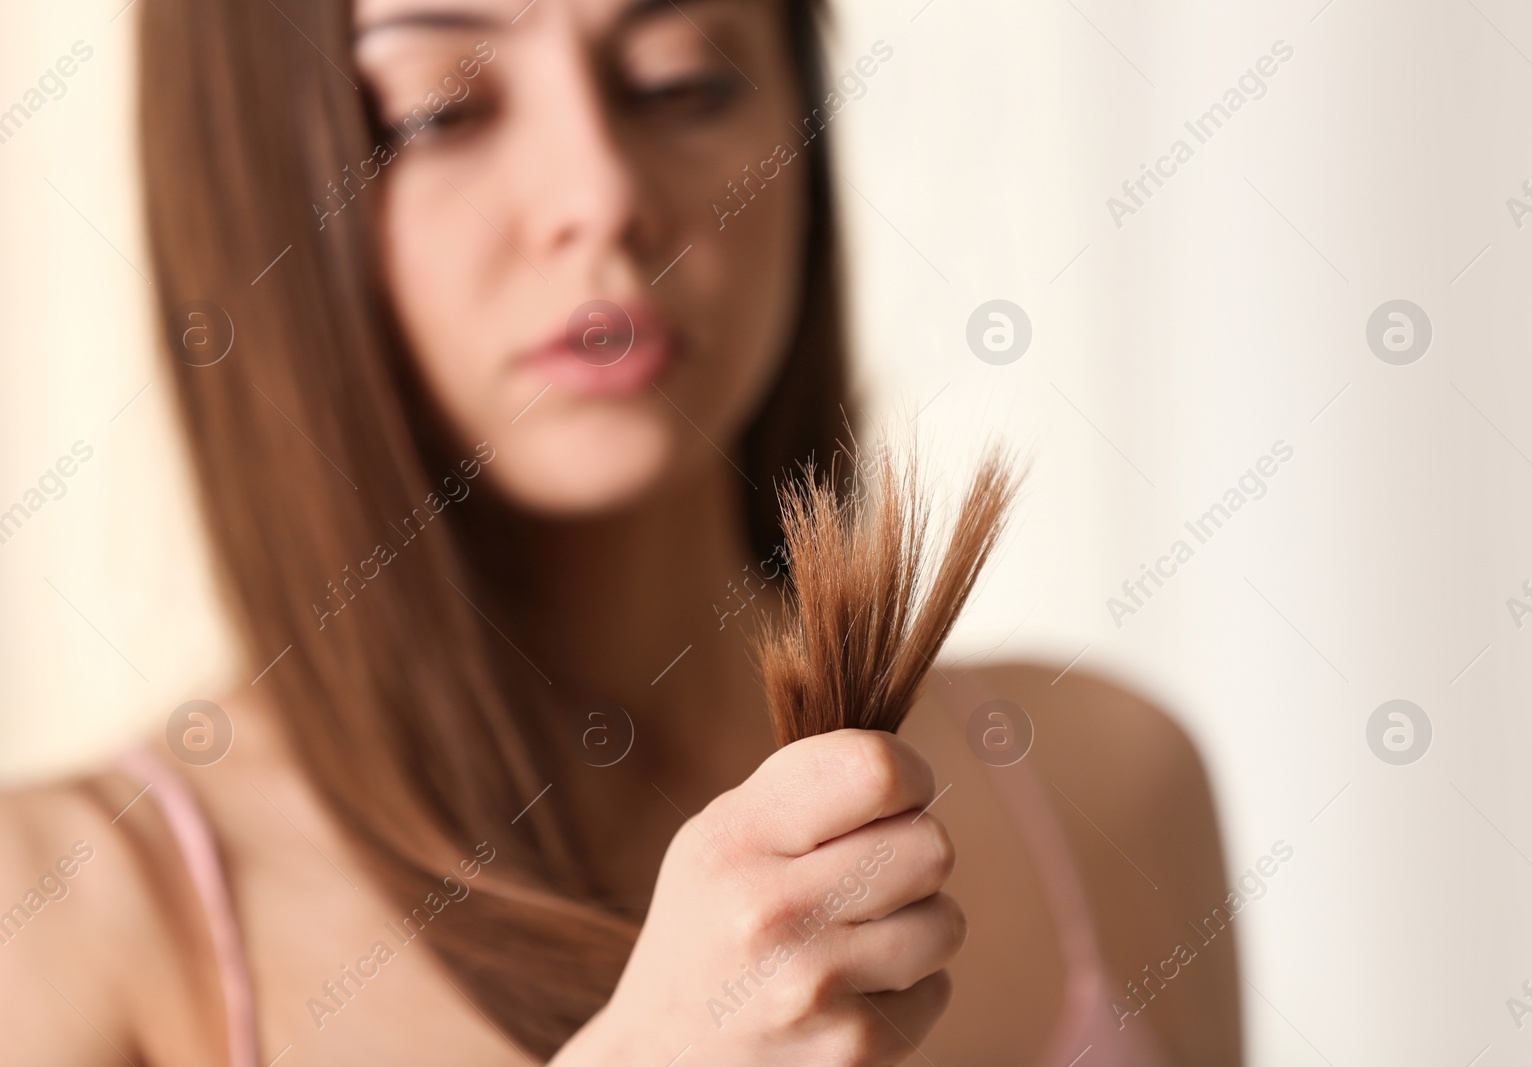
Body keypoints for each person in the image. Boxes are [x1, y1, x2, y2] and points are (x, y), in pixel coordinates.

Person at [0, 0, 1239, 1062]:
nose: (601, 194)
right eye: (441, 109)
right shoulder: (62, 919)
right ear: (245, 190)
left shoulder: (1110, 789)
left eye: (679, 79)